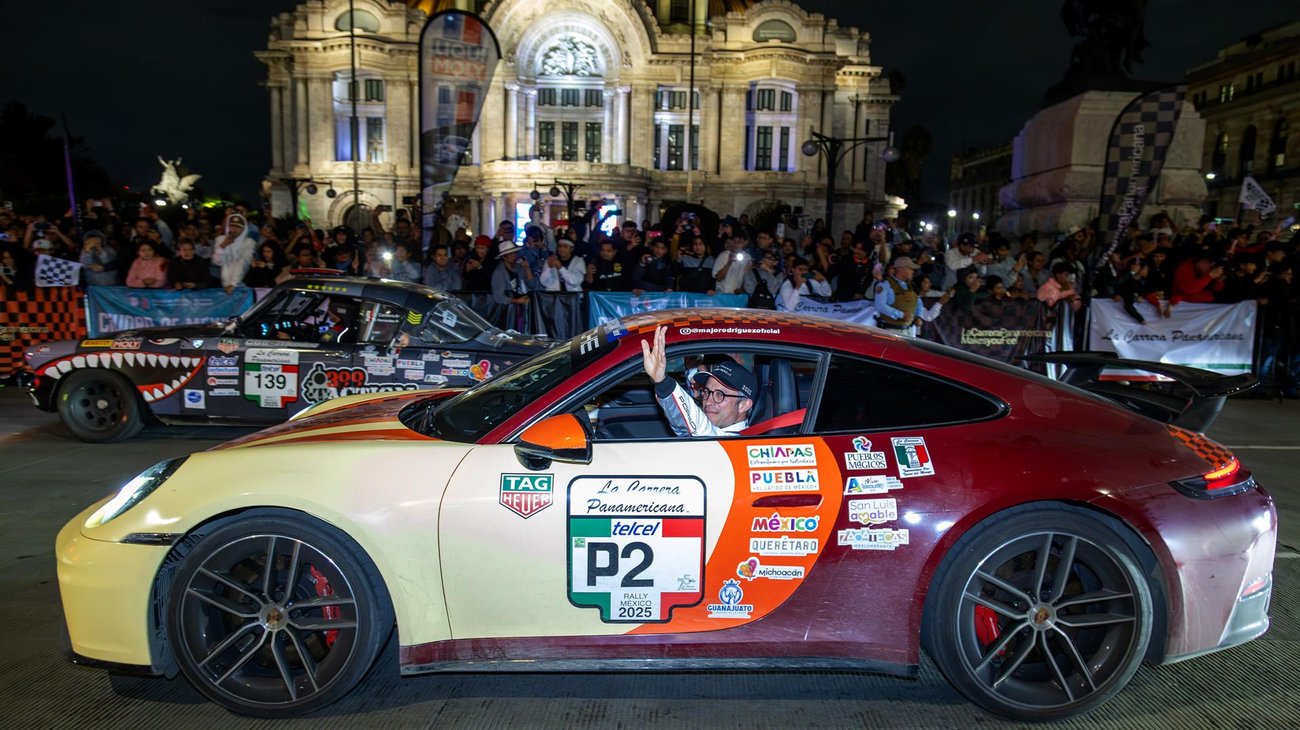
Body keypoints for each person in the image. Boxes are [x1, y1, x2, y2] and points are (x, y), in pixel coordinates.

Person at [640, 325, 756, 437]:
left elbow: (698, 427)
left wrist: (662, 381)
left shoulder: (733, 441)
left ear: (743, 405)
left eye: (720, 395)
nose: (708, 401)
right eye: (706, 392)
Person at [873, 256, 922, 331]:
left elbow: (918, 303)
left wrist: (918, 316)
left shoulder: (911, 286)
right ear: (901, 269)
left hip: (908, 330)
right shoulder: (885, 285)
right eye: (910, 268)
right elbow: (879, 306)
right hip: (889, 330)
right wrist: (901, 315)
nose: (913, 271)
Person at [212, 213, 255, 294]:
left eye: (238, 227)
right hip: (224, 285)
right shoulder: (220, 239)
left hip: (241, 284)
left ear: (243, 229)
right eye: (232, 226)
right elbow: (217, 262)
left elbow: (243, 263)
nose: (234, 229)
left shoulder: (249, 242)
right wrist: (222, 246)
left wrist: (233, 284)